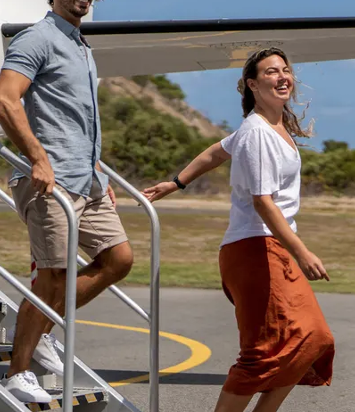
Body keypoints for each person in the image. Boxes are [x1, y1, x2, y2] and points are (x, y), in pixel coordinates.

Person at [143, 47, 335, 412]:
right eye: (270, 72)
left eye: (285, 70)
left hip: (268, 247)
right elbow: (264, 202)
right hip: (255, 248)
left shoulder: (270, 128)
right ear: (252, 84)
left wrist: (177, 182)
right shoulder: (256, 132)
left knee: (312, 339)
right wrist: (302, 252)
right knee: (261, 353)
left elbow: (217, 151)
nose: (282, 77)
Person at [0, 0, 134, 404]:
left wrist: (98, 171)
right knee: (52, 276)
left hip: (85, 181)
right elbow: (5, 100)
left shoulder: (80, 45)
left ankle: (43, 327)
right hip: (48, 182)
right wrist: (37, 158)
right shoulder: (36, 39)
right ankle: (17, 372)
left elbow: (76, 118)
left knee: (119, 259)